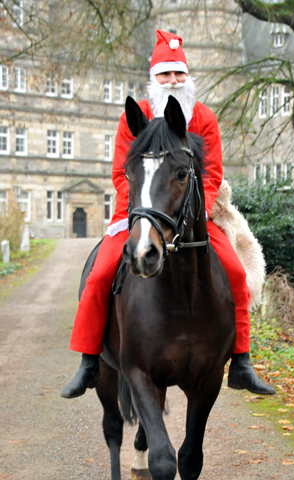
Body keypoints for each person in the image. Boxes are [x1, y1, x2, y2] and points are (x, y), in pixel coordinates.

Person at [61, 30, 275, 399]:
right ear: (153, 78)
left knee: (237, 273)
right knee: (98, 275)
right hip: (139, 212)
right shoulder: (136, 117)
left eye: (179, 74)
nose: (173, 81)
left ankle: (241, 362)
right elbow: (120, 173)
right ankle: (88, 361)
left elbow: (212, 174)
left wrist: (199, 210)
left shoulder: (204, 118)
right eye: (165, 74)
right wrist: (145, 211)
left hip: (194, 215)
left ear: (187, 77)